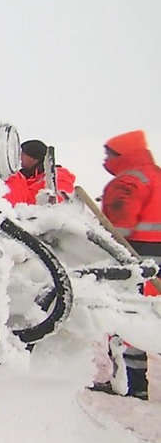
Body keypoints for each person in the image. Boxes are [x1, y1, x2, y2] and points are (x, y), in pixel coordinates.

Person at [95, 129, 161, 401]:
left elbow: (119, 227)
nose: (105, 159)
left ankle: (132, 384)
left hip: (135, 259)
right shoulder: (155, 174)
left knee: (128, 318)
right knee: (154, 316)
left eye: (108, 154)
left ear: (121, 155)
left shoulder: (128, 181)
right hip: (154, 259)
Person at [4, 139, 75, 205]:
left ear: (33, 158)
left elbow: (59, 204)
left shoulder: (56, 176)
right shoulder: (25, 178)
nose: (19, 157)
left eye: (22, 154)